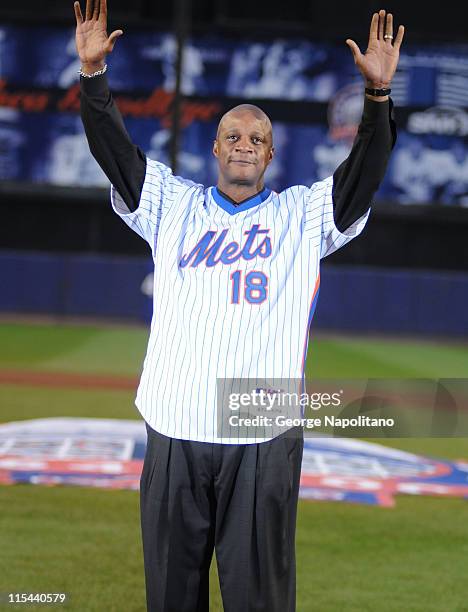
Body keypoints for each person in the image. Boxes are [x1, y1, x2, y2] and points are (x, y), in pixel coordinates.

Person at [74, 2, 404, 610]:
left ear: (271, 155)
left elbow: (365, 173)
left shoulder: (302, 216)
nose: (245, 145)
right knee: (172, 597)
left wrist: (378, 96)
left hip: (262, 435)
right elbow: (115, 153)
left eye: (258, 138)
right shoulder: (170, 205)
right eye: (234, 136)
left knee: (261, 599)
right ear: (217, 149)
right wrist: (94, 78)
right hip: (175, 425)